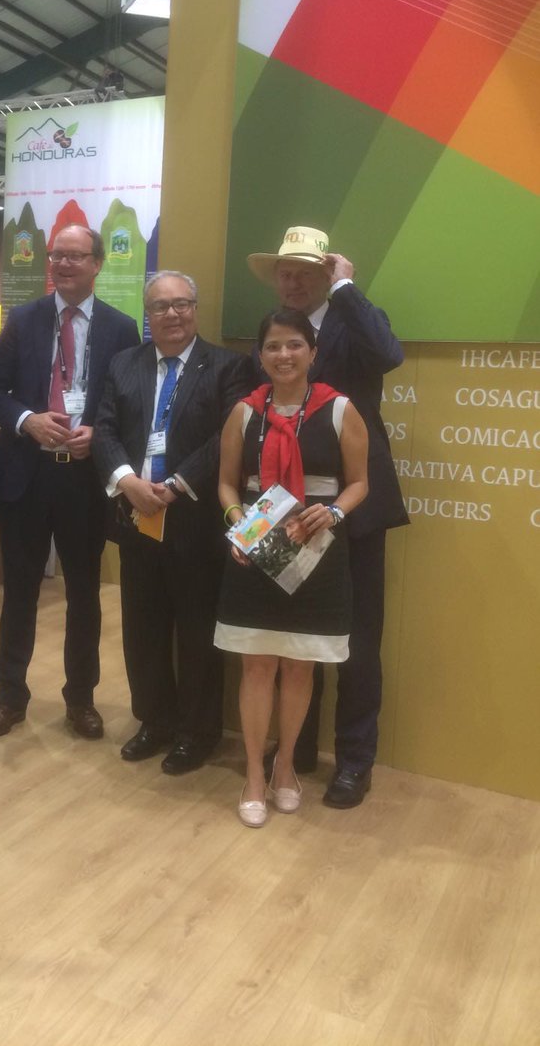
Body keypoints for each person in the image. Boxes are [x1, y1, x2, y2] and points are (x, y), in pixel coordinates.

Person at [247, 226, 408, 808]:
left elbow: (388, 355)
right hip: (287, 508)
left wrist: (346, 288)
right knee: (296, 635)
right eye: (284, 272)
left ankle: (355, 761)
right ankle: (295, 751)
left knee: (358, 640)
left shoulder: (353, 319)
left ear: (326, 275)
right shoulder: (275, 333)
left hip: (354, 509)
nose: (291, 282)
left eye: (305, 273)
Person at [0, 223, 140, 740]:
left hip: (85, 479)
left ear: (97, 264)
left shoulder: (121, 328)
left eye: (76, 256)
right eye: (57, 255)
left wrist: (100, 432)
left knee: (84, 593)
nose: (64, 264)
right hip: (27, 473)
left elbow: (129, 401)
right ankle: (9, 696)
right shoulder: (23, 319)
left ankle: (81, 699)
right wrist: (27, 419)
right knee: (19, 592)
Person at [92, 271, 252, 774]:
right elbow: (104, 430)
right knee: (142, 628)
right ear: (148, 315)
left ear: (195, 309)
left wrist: (177, 484)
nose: (172, 314)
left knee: (198, 632)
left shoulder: (228, 366)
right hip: (136, 516)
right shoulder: (124, 364)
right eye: (160, 306)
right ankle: (154, 721)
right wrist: (127, 481)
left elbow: (229, 436)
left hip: (195, 521)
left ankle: (198, 732)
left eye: (182, 304)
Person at [216, 309, 369, 827]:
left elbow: (359, 482)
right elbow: (228, 484)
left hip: (317, 549)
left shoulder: (339, 409)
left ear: (313, 352)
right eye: (274, 346)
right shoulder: (243, 412)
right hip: (256, 548)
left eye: (295, 345)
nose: (284, 355)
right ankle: (254, 774)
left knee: (300, 666)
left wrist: (336, 512)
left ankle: (285, 766)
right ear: (260, 355)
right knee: (257, 666)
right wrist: (239, 524)